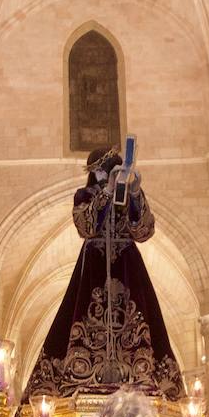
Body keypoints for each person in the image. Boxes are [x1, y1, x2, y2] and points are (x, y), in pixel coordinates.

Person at [21, 146, 183, 400]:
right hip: (94, 268)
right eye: (98, 171)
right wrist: (106, 192)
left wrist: (136, 192)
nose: (100, 175)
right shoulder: (83, 196)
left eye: (104, 171)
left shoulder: (129, 197)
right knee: (81, 317)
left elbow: (144, 231)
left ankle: (139, 374)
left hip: (128, 268)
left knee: (140, 321)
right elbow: (86, 226)